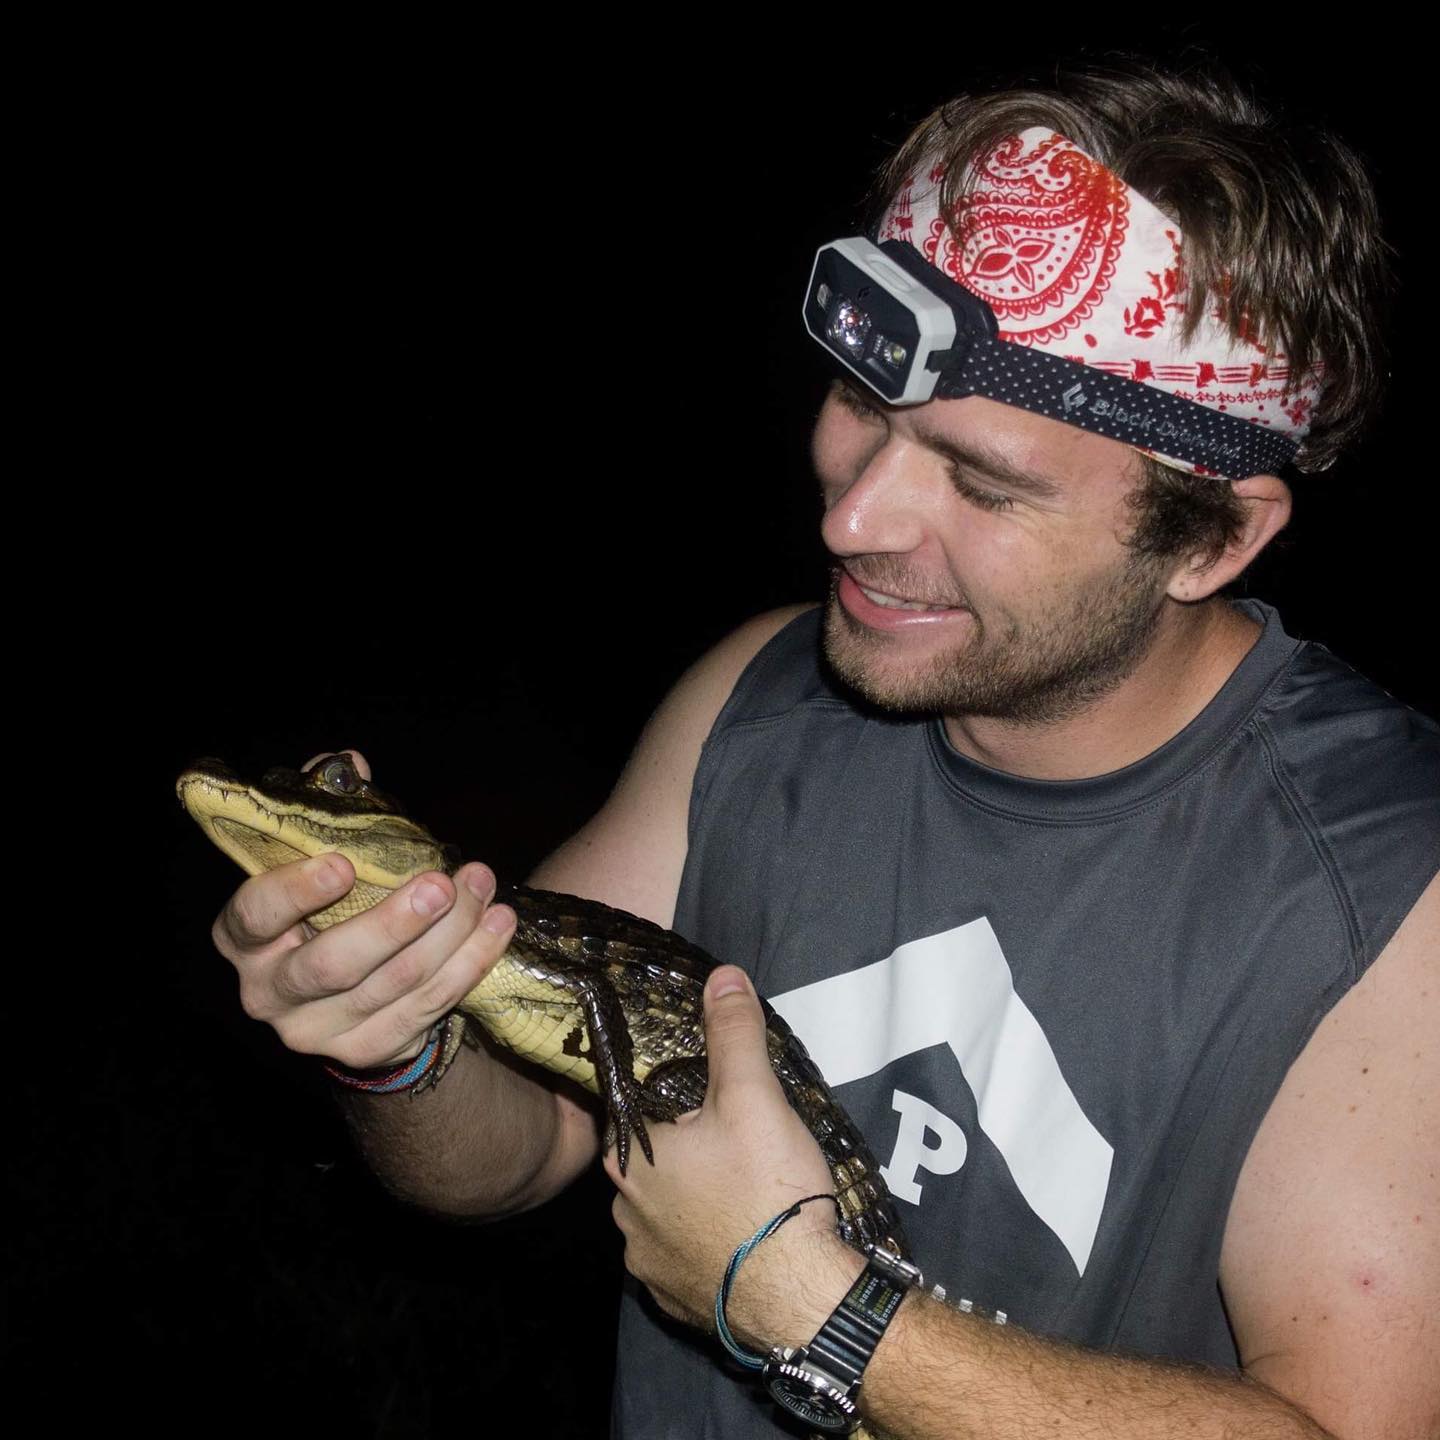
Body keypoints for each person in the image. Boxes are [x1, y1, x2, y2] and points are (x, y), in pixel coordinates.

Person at [212, 60, 1438, 1439]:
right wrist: (392, 1039)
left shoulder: (1386, 881)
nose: (857, 518)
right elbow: (521, 1151)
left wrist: (810, 1305)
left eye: (982, 481)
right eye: (862, 403)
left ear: (1214, 537)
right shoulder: (757, 697)